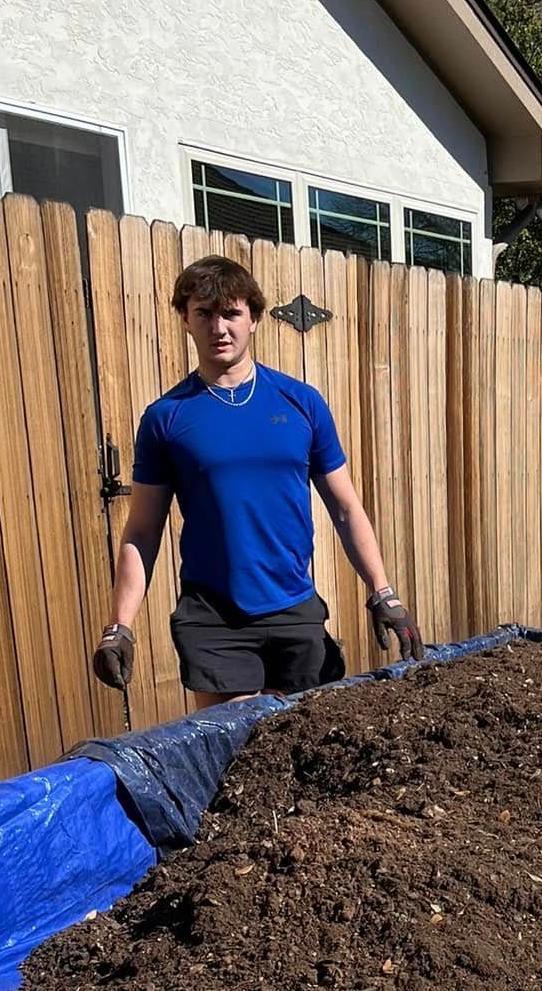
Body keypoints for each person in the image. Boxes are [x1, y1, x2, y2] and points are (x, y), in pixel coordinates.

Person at [91, 256, 422, 707]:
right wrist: (120, 625)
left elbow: (345, 508)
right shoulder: (166, 418)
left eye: (231, 313)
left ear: (254, 318)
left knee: (305, 749)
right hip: (213, 618)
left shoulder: (301, 403)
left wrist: (384, 593)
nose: (219, 327)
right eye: (204, 313)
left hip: (293, 605)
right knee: (234, 756)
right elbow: (142, 531)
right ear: (185, 319)